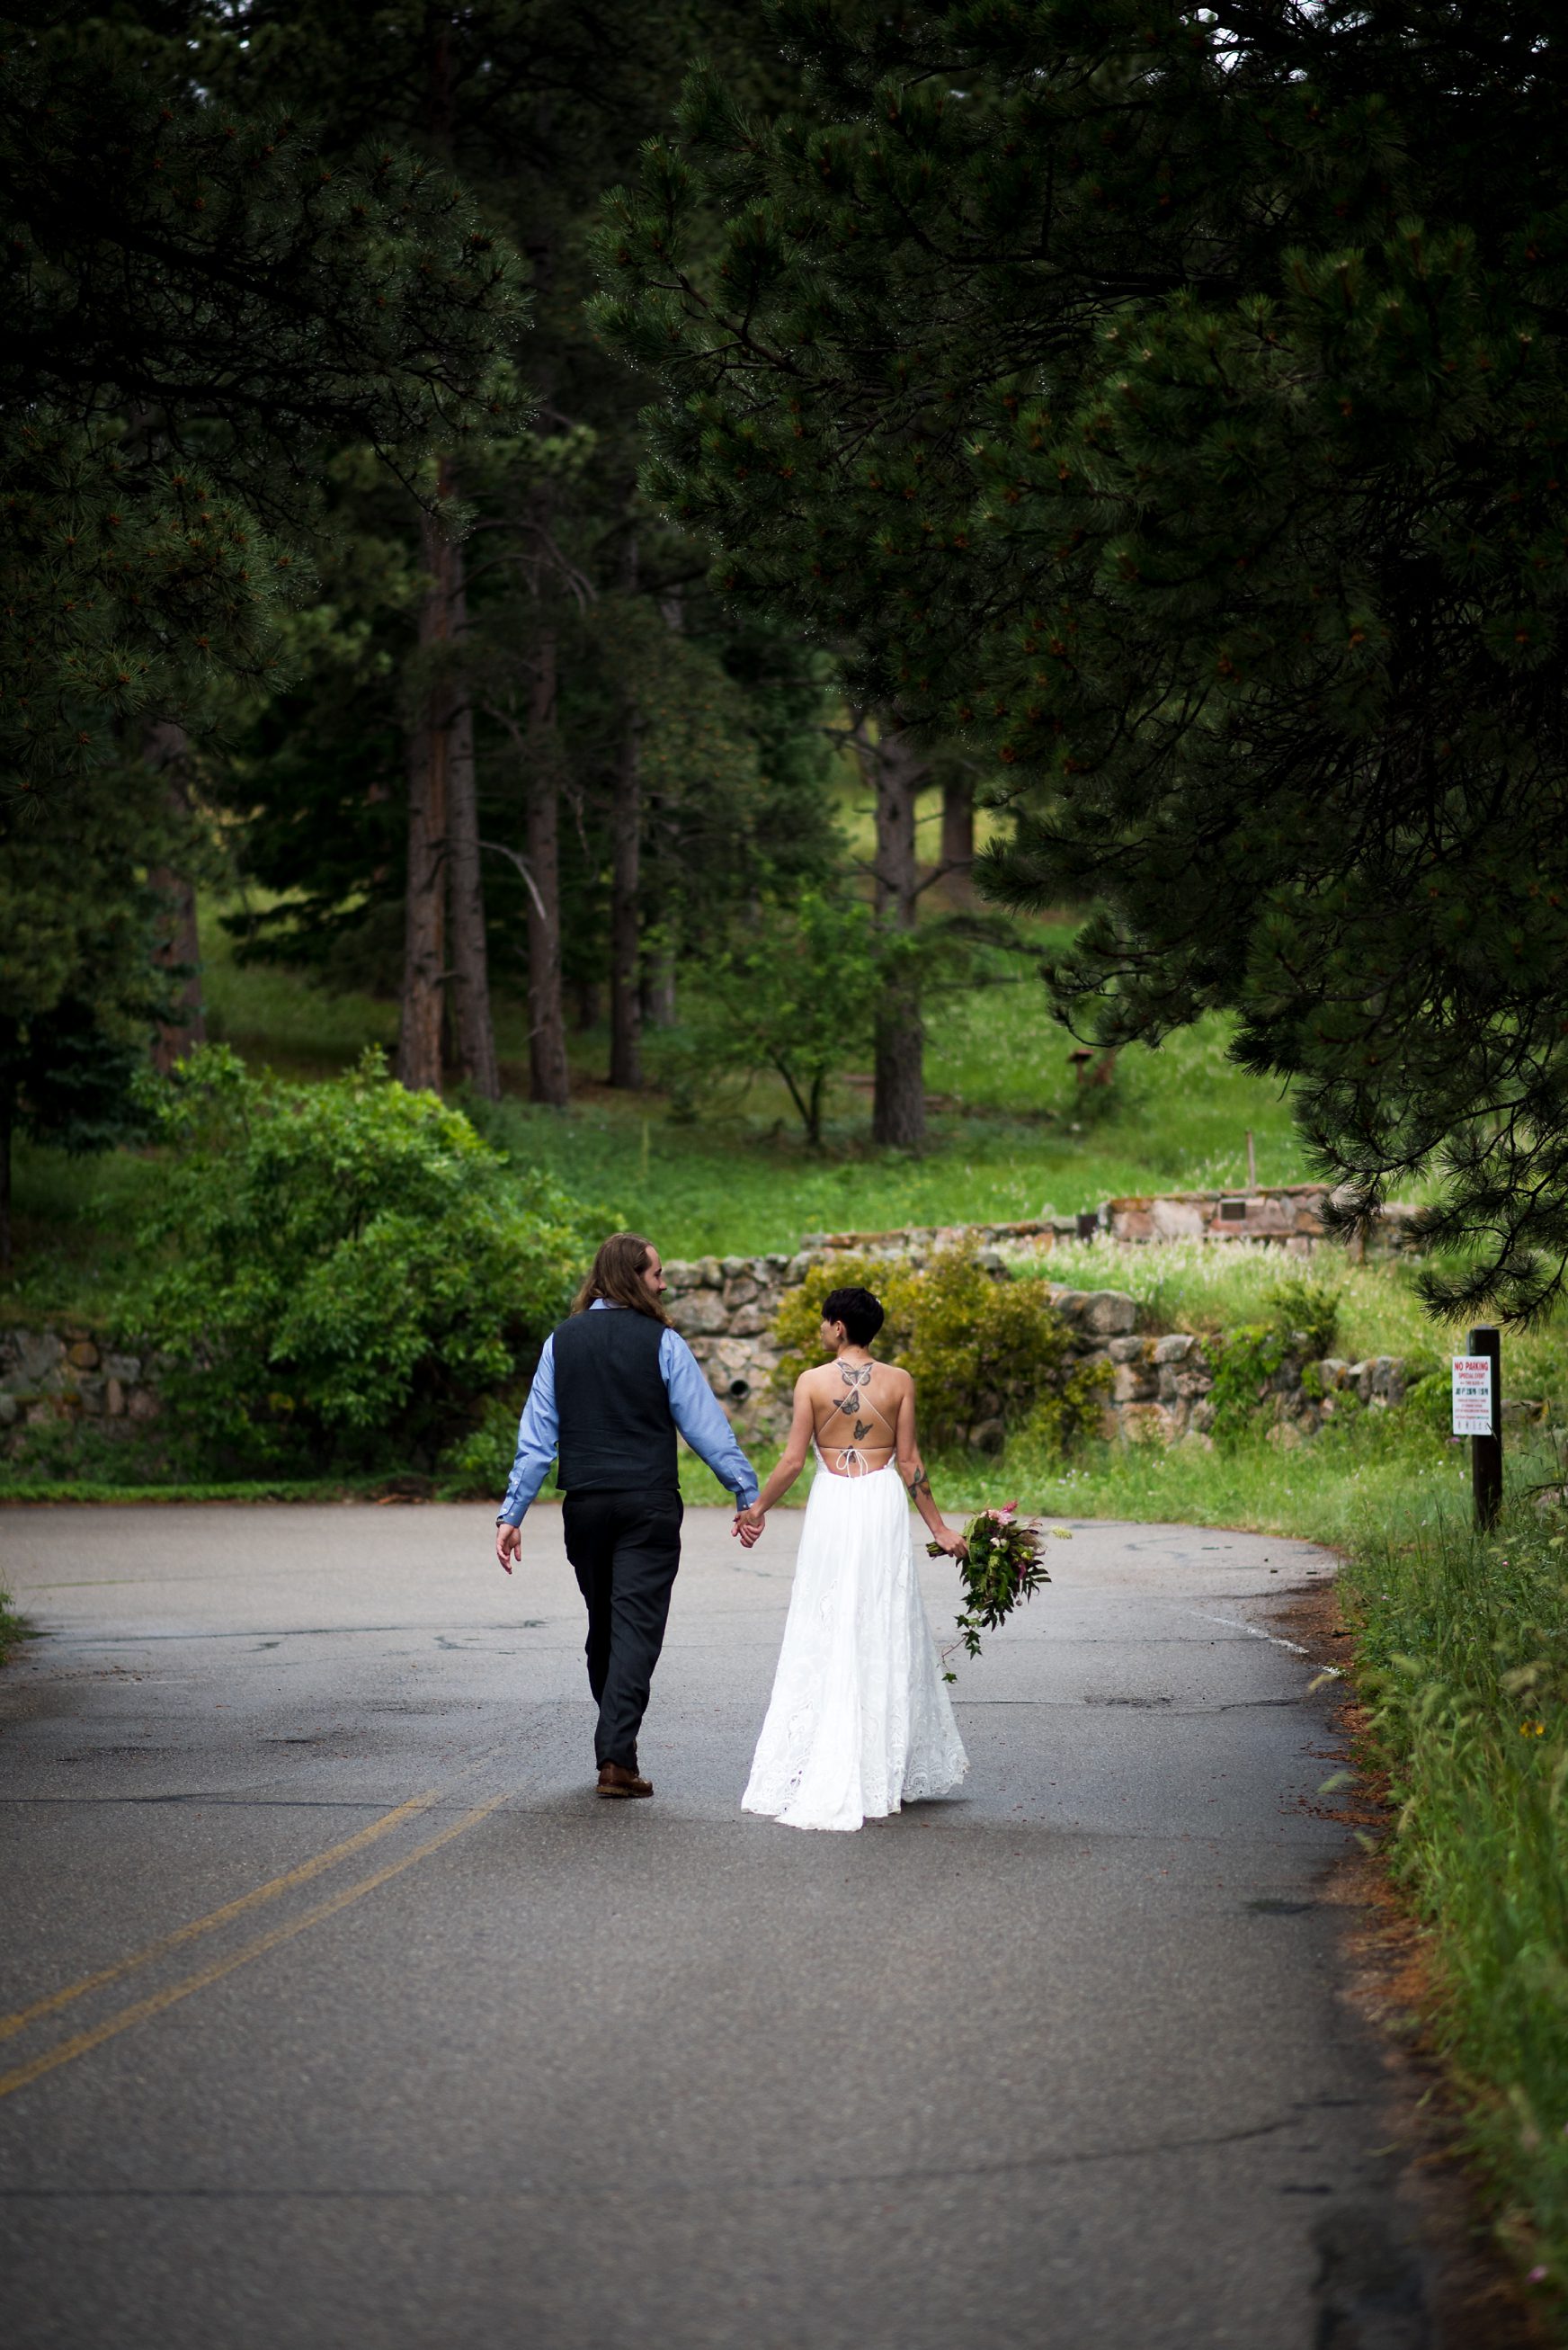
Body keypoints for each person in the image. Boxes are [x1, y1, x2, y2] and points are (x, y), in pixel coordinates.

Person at [496, 1232, 759, 1800]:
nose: (664, 1284)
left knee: (605, 1626)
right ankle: (616, 1758)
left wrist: (512, 1512)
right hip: (647, 1503)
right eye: (656, 1273)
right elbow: (704, 1426)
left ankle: (617, 1748)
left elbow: (537, 1436)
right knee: (633, 1626)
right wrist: (744, 1491)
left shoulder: (560, 1342)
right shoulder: (664, 1343)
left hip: (586, 1505)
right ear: (629, 1277)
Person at [734, 1283, 970, 1833]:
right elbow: (909, 1461)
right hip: (881, 1503)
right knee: (881, 1618)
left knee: (828, 1614)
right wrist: (937, 1527)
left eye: (824, 1321)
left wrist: (757, 1508)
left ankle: (826, 1749)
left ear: (840, 1326)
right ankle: (878, 1762)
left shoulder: (812, 1382)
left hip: (834, 1505)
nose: (821, 1330)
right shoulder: (900, 1382)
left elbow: (794, 1461)